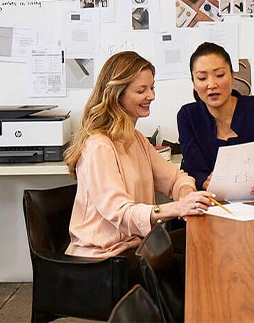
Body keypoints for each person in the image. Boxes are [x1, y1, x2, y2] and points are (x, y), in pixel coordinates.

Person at [64, 51, 212, 285]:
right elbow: (121, 214)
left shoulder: (136, 139)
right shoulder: (99, 146)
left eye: (152, 88)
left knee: (205, 245)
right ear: (117, 94)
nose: (151, 96)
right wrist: (176, 208)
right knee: (193, 265)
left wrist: (186, 196)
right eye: (141, 90)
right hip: (105, 258)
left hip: (135, 245)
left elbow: (175, 179)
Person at [177, 42, 254, 198]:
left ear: (233, 77)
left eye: (220, 75)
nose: (212, 84)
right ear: (194, 83)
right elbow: (195, 169)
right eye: (202, 78)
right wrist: (206, 183)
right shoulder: (188, 116)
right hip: (212, 202)